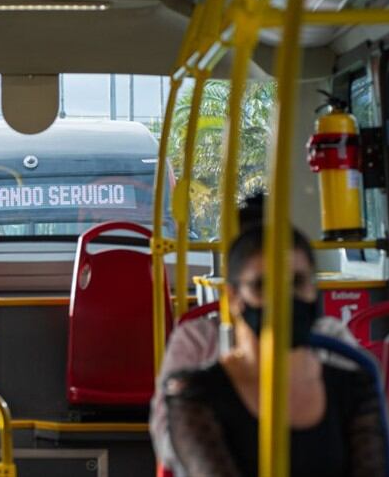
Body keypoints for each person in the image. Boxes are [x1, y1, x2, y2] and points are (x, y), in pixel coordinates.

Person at [148, 195, 358, 471]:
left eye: (294, 281)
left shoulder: (330, 338)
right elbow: (168, 436)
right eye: (262, 283)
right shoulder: (198, 343)